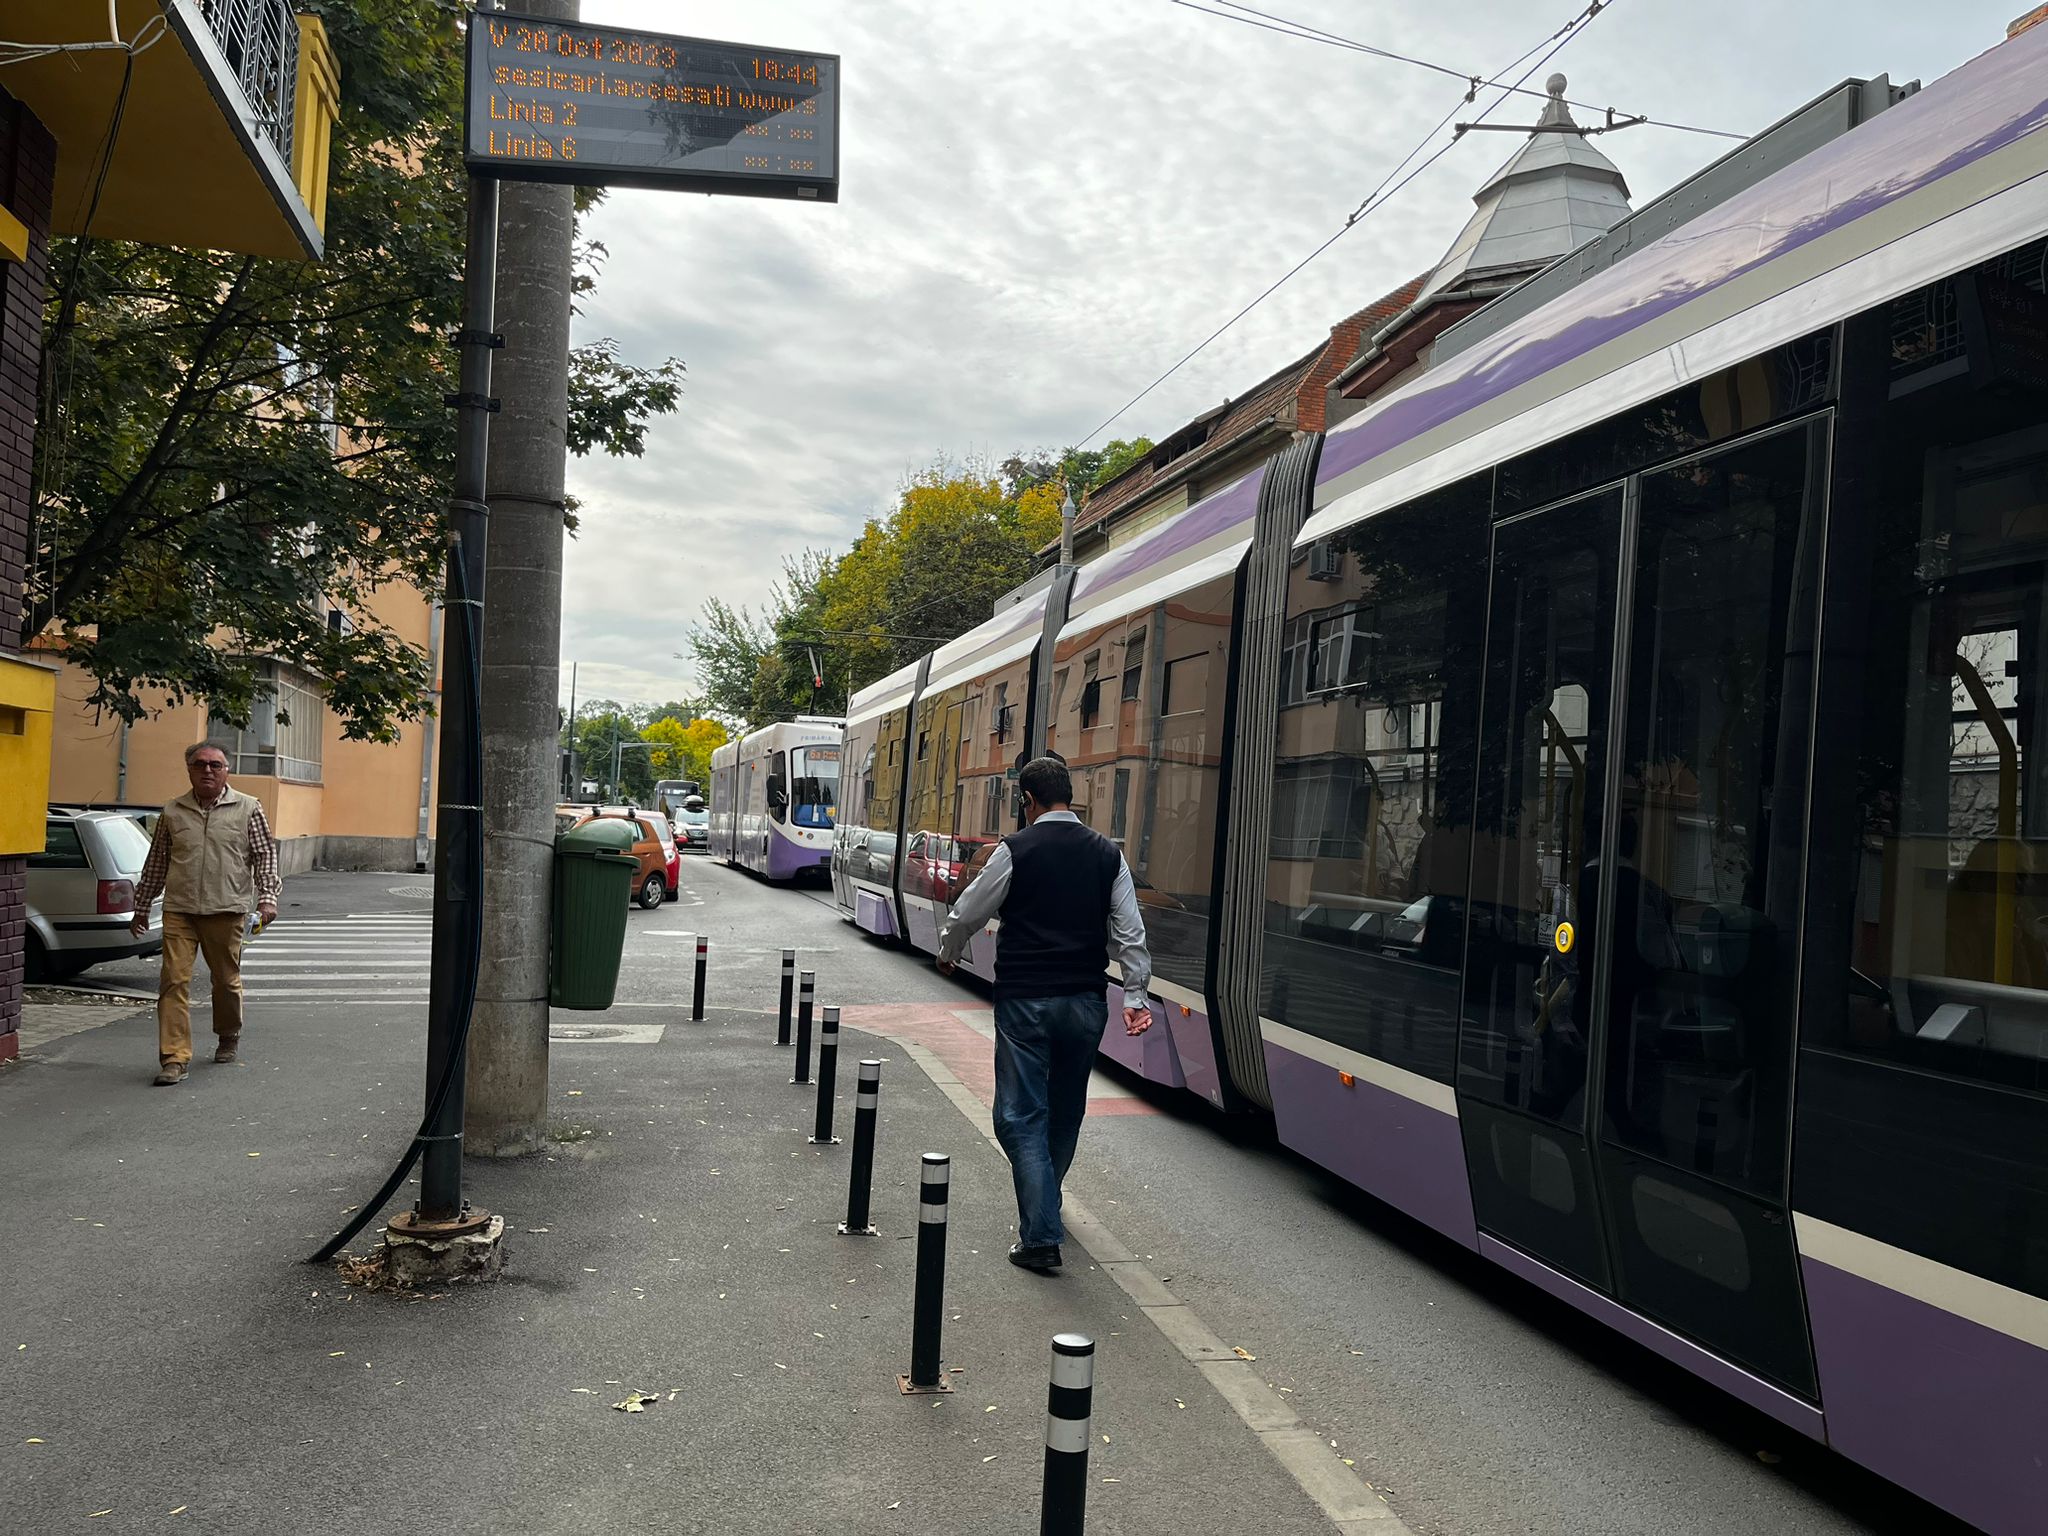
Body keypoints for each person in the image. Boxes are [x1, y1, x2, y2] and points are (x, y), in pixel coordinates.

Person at [937, 756, 1153, 1273]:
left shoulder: (1015, 850)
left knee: (1018, 1115)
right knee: (1064, 1109)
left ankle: (1039, 1236)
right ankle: (1046, 1207)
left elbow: (969, 911)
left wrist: (948, 952)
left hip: (1026, 1000)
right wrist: (1138, 997)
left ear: (1027, 801)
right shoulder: (1108, 855)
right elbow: (1130, 931)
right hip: (1084, 1002)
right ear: (1070, 797)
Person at [129, 741, 282, 1085]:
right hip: (180, 908)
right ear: (190, 770)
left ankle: (228, 1033)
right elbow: (157, 862)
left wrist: (268, 899)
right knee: (173, 982)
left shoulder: (248, 808)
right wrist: (141, 907)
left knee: (225, 981)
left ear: (227, 770)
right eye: (200, 765)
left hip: (226, 907)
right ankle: (174, 1058)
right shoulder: (173, 811)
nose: (208, 770)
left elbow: (264, 855)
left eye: (216, 765)